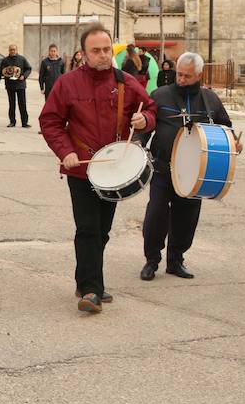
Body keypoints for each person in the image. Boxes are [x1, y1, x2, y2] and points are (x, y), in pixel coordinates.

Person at [39, 23, 157, 314]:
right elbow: (50, 122)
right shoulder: (67, 83)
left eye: (107, 49)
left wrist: (145, 121)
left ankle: (85, 280)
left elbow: (150, 108)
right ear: (83, 54)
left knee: (102, 231)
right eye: (96, 51)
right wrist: (65, 151)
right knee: (88, 228)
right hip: (81, 169)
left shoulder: (125, 81)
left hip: (114, 170)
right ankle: (92, 290)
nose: (103, 55)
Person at [139, 52, 242, 282]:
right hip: (162, 167)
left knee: (186, 216)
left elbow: (225, 127)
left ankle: (176, 260)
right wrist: (136, 147)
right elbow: (146, 126)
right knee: (156, 213)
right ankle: (151, 260)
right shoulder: (160, 95)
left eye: (187, 76)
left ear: (199, 75)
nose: (181, 79)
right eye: (179, 74)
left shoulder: (210, 99)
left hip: (196, 171)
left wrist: (234, 141)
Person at [0, 44, 32, 128]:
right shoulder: (5, 60)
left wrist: (24, 76)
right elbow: (1, 71)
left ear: (17, 50)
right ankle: (12, 122)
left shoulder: (22, 59)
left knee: (22, 104)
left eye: (14, 49)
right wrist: (5, 74)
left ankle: (24, 122)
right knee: (11, 104)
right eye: (11, 50)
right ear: (9, 51)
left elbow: (28, 68)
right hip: (10, 85)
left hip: (20, 85)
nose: (12, 51)